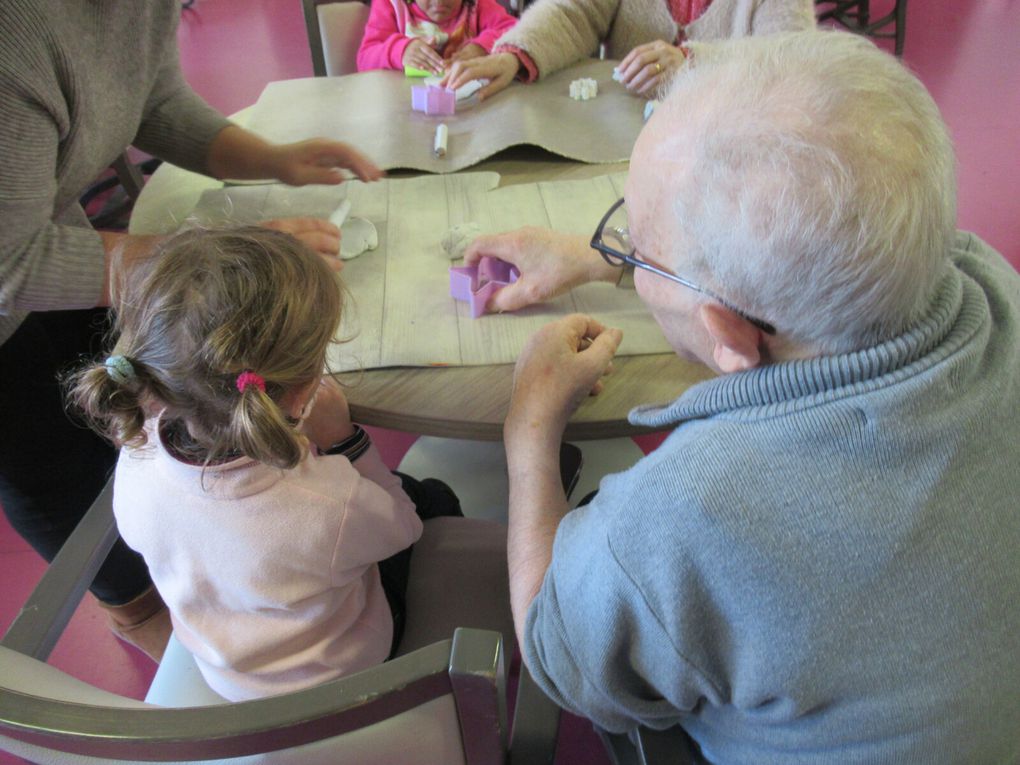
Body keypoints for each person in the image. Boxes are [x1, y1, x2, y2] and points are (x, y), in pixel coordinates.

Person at [502, 31, 1020, 763]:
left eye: (632, 250)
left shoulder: (688, 510)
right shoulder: (992, 283)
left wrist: (529, 432)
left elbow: (554, 652)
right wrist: (596, 260)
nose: (623, 254)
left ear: (730, 333)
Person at [0, 1, 382, 662]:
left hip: (39, 228)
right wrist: (212, 262)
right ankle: (136, 609)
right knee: (43, 459)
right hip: (14, 259)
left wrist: (273, 160)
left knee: (98, 399)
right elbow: (10, 263)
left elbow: (152, 95)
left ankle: (186, 586)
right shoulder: (17, 35)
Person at [67, 226, 462, 701]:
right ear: (302, 394)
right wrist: (345, 442)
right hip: (342, 671)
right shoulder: (329, 503)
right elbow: (404, 528)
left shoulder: (136, 453)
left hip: (226, 673)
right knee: (429, 497)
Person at [442, 0, 814, 99]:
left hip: (728, 144)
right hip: (623, 146)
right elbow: (575, 12)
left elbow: (791, 58)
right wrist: (514, 55)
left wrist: (693, 61)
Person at [357, 0, 517, 75]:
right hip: (403, 108)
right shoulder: (391, 4)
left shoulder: (476, 4)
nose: (439, 1)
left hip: (466, 106)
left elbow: (516, 30)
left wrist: (481, 47)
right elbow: (365, 59)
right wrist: (400, 50)